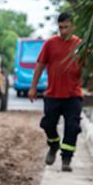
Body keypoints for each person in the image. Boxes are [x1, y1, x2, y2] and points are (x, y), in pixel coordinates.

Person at [29, 12, 83, 172]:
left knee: (72, 127)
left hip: (73, 95)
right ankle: (53, 145)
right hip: (53, 94)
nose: (63, 31)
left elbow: (88, 67)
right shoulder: (50, 44)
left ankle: (66, 159)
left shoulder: (80, 45)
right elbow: (40, 65)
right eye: (61, 27)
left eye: (66, 27)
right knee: (48, 124)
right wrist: (33, 87)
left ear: (73, 27)